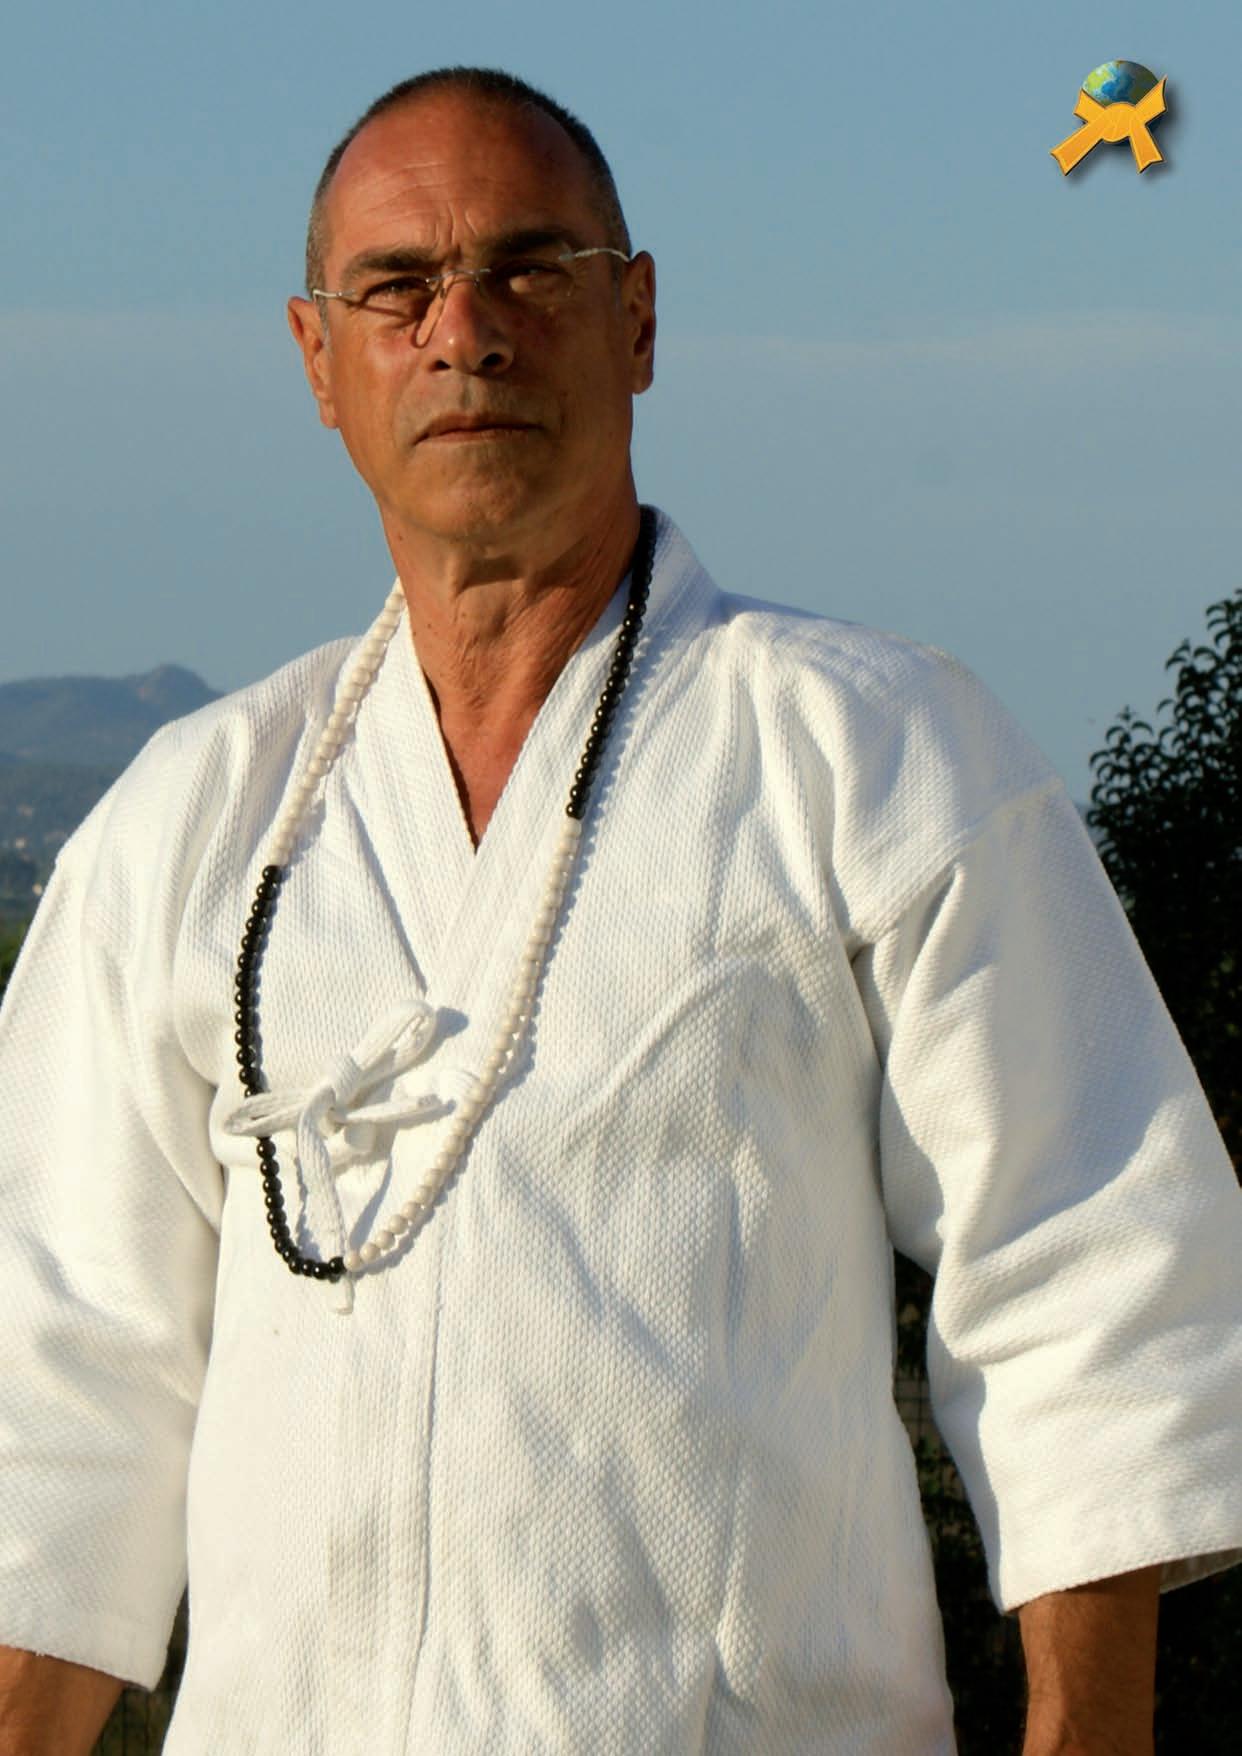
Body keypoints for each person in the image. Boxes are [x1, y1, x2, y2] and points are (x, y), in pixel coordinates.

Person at [0, 66, 1238, 1756]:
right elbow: (62, 1376)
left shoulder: (874, 752)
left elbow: (1085, 1272)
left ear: (636, 318)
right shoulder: (194, 818)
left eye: (528, 269)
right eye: (397, 288)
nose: (464, 332)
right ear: (318, 359)